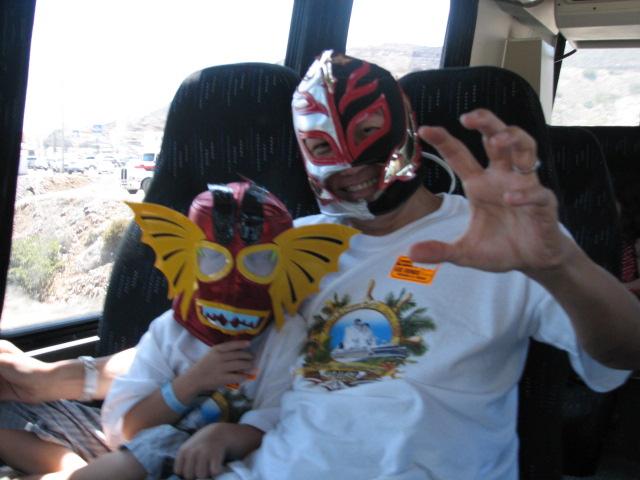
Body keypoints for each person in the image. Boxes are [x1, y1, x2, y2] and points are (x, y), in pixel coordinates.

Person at [2, 51, 640, 479]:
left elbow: (625, 351)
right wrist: (52, 378)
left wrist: (560, 264)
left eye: (366, 148)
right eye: (322, 149)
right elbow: (202, 339)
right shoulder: (291, 244)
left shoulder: (502, 239)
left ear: (405, 131)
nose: (352, 174)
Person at [0, 181, 355, 480]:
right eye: (212, 259)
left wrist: (224, 435)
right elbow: (126, 430)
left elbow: (276, 425)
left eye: (259, 262)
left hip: (214, 461)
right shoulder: (170, 331)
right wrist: (192, 382)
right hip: (134, 442)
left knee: (153, 448)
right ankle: (69, 468)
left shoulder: (285, 336)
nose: (233, 280)